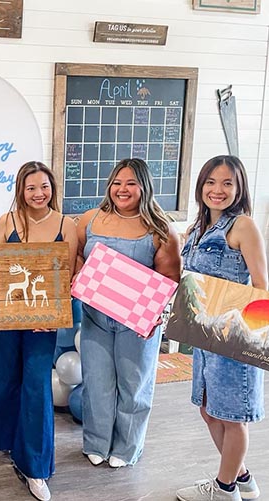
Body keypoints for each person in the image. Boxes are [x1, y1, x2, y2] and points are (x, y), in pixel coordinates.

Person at [0, 161, 78, 501]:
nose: (39, 193)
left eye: (44, 186)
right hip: (7, 318)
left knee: (36, 386)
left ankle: (36, 466)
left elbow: (69, 276)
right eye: (31, 187)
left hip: (42, 321)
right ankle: (9, 443)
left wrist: (52, 314)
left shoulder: (67, 225)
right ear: (21, 191)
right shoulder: (6, 221)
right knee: (4, 378)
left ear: (53, 187)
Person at [76, 158, 180, 469]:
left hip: (136, 322)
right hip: (95, 316)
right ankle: (96, 441)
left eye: (131, 183)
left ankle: (127, 447)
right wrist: (78, 276)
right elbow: (77, 258)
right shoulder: (90, 219)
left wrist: (155, 313)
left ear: (144, 187)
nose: (122, 189)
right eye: (117, 183)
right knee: (97, 383)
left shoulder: (161, 229)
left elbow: (170, 278)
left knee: (134, 386)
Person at [176, 155, 267, 501]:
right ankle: (242, 478)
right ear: (201, 186)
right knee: (208, 409)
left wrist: (252, 343)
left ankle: (225, 488)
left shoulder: (243, 226)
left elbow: (261, 285)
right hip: (203, 336)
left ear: (239, 188)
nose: (218, 190)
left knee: (232, 417)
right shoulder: (195, 230)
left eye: (227, 183)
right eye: (211, 182)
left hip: (233, 336)